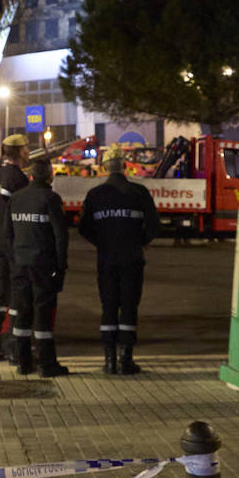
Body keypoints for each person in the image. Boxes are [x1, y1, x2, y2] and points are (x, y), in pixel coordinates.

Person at [79, 144, 160, 374]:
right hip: (132, 259)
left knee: (108, 306)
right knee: (128, 307)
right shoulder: (139, 193)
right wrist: (139, 241)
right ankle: (126, 359)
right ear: (125, 166)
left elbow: (84, 228)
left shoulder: (95, 195)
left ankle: (109, 360)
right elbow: (154, 227)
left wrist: (103, 242)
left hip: (106, 259)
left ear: (105, 168)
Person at [6, 159, 70, 377]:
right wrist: (61, 267)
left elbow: (8, 234)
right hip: (42, 265)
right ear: (50, 176)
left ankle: (23, 362)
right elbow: (61, 237)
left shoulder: (15, 199)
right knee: (43, 314)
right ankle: (47, 364)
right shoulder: (51, 199)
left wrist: (14, 258)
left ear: (31, 176)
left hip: (20, 264)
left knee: (22, 312)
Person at [0, 135, 31, 362]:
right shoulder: (19, 179)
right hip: (13, 245)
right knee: (16, 295)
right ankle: (14, 346)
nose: (28, 151)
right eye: (26, 148)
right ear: (20, 152)